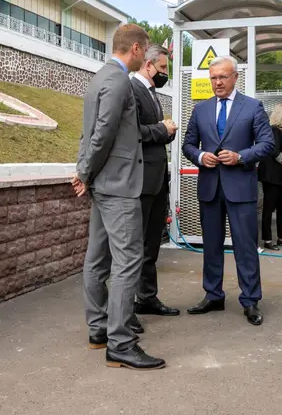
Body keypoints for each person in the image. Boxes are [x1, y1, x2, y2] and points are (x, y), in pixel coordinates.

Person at [72, 23, 165, 370]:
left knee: (97, 259)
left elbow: (89, 134)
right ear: (138, 49)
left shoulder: (100, 77)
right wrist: (85, 172)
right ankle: (121, 343)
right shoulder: (118, 81)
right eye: (146, 52)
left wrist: (86, 171)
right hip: (119, 186)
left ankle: (99, 331)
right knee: (128, 262)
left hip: (104, 183)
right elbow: (102, 133)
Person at [182, 56, 274, 326]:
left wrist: (241, 156)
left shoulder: (253, 107)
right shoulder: (201, 110)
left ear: (235, 77)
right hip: (210, 187)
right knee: (211, 246)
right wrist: (200, 157)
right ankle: (213, 295)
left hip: (241, 187)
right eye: (213, 78)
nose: (217, 82)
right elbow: (188, 144)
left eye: (222, 77)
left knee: (245, 246)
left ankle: (251, 300)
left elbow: (268, 144)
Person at [128, 44, 180, 331]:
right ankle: (126, 307)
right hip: (140, 181)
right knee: (135, 247)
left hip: (158, 180)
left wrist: (166, 131)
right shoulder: (132, 90)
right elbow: (132, 132)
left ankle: (147, 297)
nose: (164, 74)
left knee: (151, 245)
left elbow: (155, 131)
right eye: (162, 69)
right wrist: (162, 130)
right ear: (148, 65)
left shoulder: (151, 92)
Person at [258, 103, 282, 251]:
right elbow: (274, 151)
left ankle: (281, 236)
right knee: (269, 207)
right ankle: (267, 239)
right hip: (272, 177)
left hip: (278, 177)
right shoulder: (274, 131)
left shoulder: (278, 131)